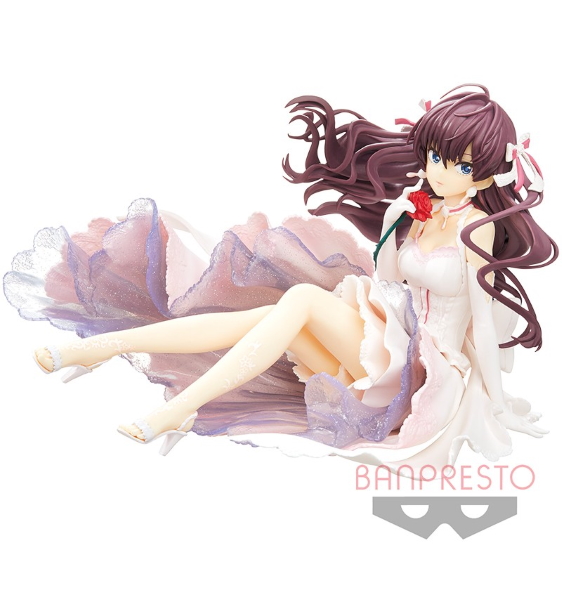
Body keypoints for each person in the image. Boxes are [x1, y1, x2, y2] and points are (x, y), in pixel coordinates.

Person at [4, 85, 557, 472]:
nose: (440, 171)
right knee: (272, 315)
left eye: (462, 165)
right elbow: (390, 283)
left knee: (300, 299)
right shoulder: (416, 210)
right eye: (435, 156)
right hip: (386, 340)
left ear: (488, 173)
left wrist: (497, 400)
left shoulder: (478, 229)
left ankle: (171, 401)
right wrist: (395, 226)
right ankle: (104, 352)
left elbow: (483, 323)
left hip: (423, 372)